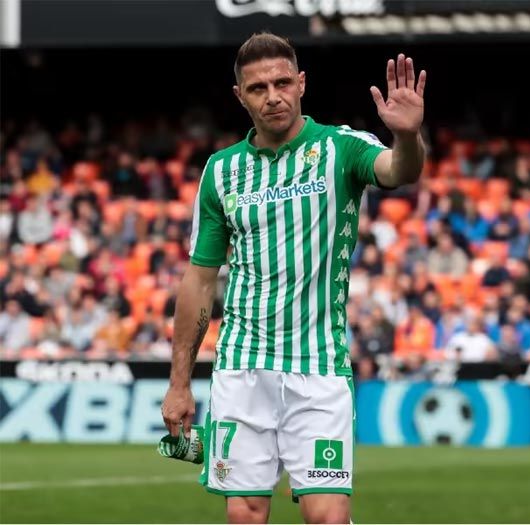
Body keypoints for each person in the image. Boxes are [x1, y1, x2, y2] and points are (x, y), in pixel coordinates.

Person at [160, 32, 427, 524]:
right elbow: (198, 281)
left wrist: (407, 136)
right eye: (258, 88)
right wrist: (180, 383)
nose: (273, 95)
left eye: (283, 82)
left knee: (327, 517)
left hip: (319, 366)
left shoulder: (341, 148)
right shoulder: (221, 172)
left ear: (302, 83)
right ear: (239, 96)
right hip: (242, 367)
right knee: (245, 515)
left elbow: (397, 170)